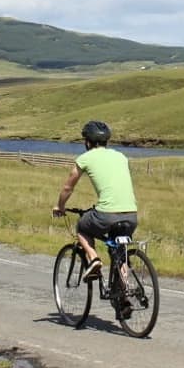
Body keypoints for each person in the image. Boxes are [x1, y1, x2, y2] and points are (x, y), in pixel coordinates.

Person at [52, 120, 138, 280]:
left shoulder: (85, 158)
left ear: (87, 141)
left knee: (82, 228)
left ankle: (94, 258)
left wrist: (60, 206)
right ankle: (126, 291)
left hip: (107, 214)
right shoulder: (121, 156)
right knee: (119, 251)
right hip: (132, 215)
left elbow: (67, 188)